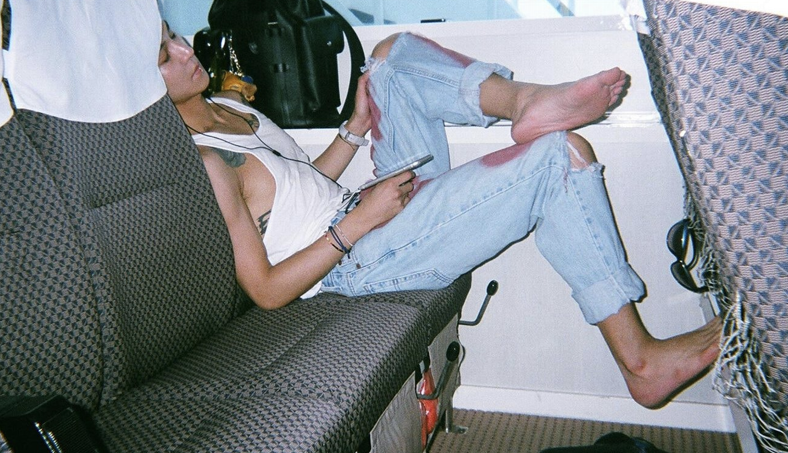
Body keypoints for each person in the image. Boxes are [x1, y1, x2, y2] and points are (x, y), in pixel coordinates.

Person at [158, 23, 722, 410]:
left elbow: (299, 186)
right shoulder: (206, 163)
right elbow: (266, 291)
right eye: (165, 56)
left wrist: (355, 127)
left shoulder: (230, 107)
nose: (185, 50)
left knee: (389, 58)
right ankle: (640, 362)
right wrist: (361, 221)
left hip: (361, 210)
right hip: (353, 260)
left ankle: (524, 100)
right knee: (562, 156)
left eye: (174, 37)